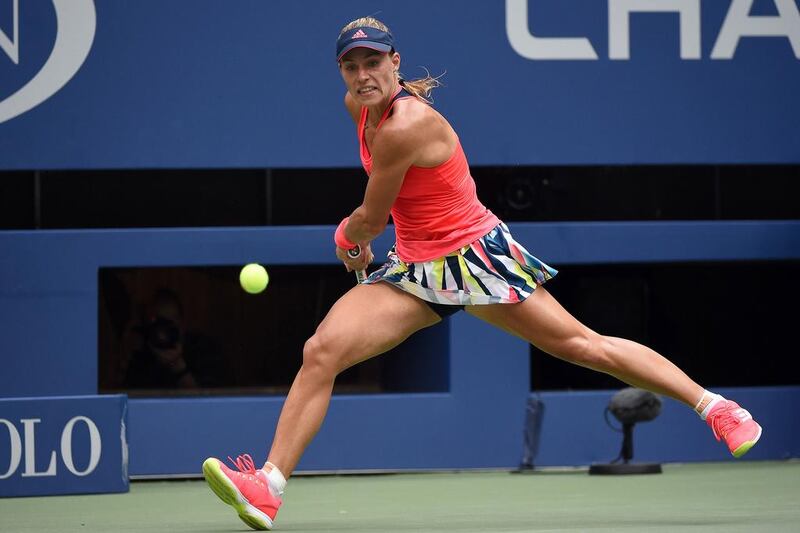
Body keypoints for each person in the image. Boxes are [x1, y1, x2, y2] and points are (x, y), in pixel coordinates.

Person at [201, 17, 763, 530]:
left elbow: (370, 218)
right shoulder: (360, 109)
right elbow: (385, 213)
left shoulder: (406, 125)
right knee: (321, 350)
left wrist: (349, 241)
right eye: (352, 66)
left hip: (475, 258)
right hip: (417, 267)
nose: (363, 75)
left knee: (582, 345)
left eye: (374, 62)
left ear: (396, 62)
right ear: (342, 72)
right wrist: (365, 243)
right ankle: (268, 487)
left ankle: (717, 409)